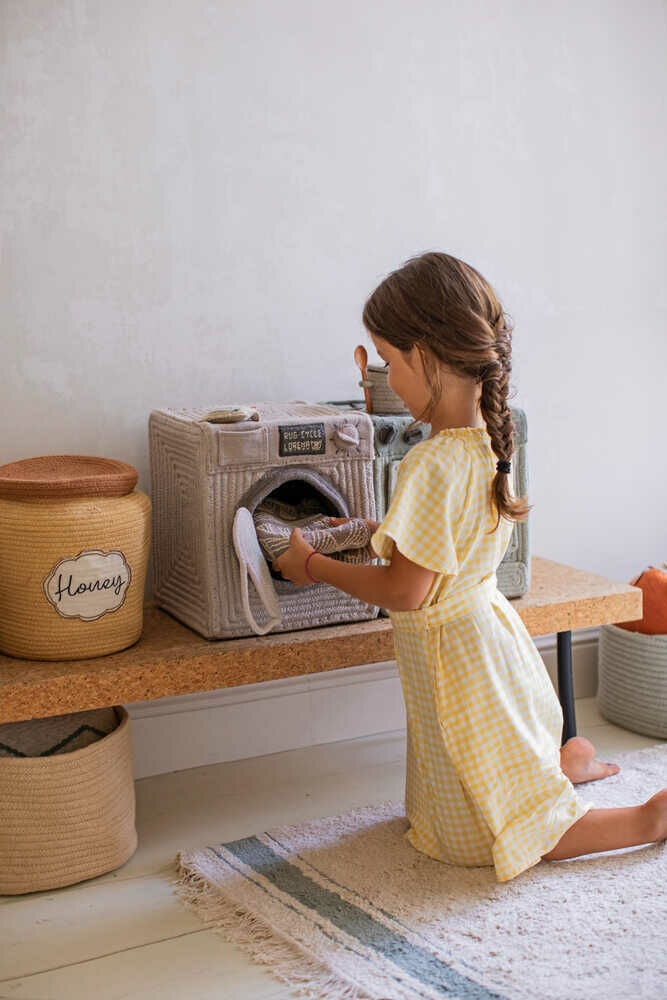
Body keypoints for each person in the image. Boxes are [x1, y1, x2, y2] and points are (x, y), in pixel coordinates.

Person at [273, 251, 667, 881]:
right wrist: (373, 534)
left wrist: (314, 564)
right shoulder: (485, 440)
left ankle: (647, 819)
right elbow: (441, 550)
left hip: (459, 661)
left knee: (497, 832)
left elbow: (406, 589)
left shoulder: (430, 463)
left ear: (425, 355)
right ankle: (565, 763)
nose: (386, 379)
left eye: (390, 361)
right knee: (489, 770)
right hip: (485, 636)